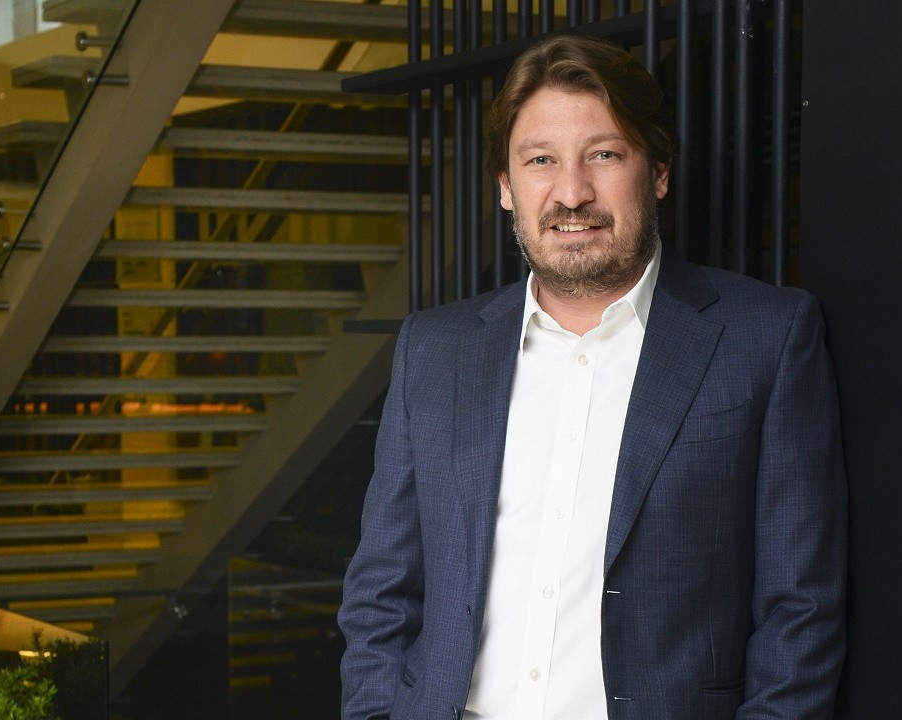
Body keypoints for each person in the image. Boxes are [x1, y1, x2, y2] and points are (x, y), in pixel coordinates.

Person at [339, 34, 846, 720]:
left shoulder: (768, 338)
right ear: (505, 187)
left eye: (604, 155)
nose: (571, 193)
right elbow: (380, 596)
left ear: (657, 171)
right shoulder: (432, 351)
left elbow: (800, 611)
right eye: (540, 160)